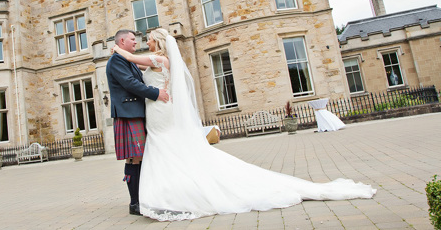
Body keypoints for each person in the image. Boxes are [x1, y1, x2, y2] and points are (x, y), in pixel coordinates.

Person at [112, 28, 377, 222]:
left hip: (161, 111)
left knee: (164, 146)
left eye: (146, 40)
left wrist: (114, 49)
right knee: (165, 149)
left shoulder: (159, 59)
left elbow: (133, 61)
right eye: (137, 40)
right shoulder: (160, 60)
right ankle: (166, 191)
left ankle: (167, 194)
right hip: (159, 111)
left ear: (157, 43)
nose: (143, 42)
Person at [106, 29, 169, 216]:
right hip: (129, 113)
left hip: (136, 112)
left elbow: (148, 69)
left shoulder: (126, 59)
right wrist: (156, 93)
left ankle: (142, 198)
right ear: (123, 40)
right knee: (134, 157)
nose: (136, 42)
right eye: (133, 40)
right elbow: (130, 84)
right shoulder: (117, 60)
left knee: (139, 157)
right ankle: (135, 203)